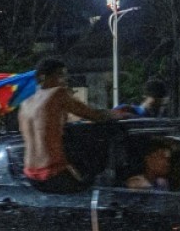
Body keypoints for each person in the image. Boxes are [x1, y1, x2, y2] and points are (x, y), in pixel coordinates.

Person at [19, 57, 124, 193]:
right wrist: (117, 114)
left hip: (30, 173)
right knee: (99, 194)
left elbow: (42, 129)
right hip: (52, 171)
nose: (65, 80)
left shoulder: (25, 103)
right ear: (44, 77)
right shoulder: (58, 93)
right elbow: (94, 115)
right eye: (60, 75)